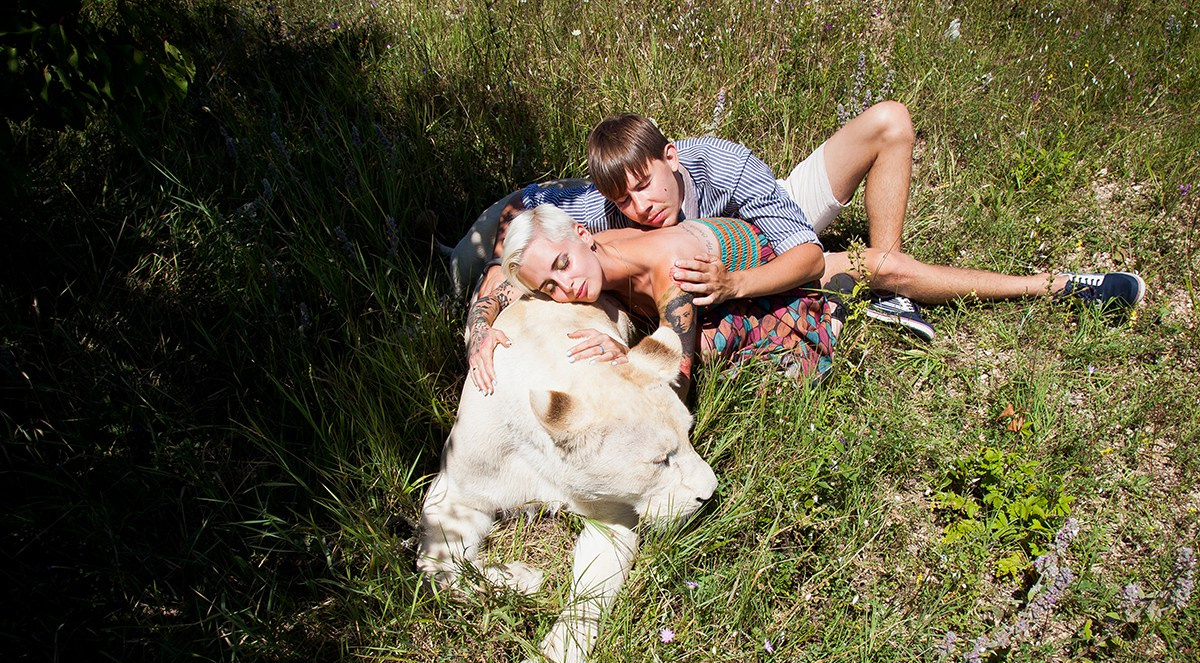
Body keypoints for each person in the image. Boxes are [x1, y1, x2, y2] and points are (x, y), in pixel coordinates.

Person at [463, 106, 1145, 390]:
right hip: (731, 252)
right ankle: (911, 284)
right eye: (626, 200)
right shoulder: (594, 212)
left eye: (648, 185)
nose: (640, 206)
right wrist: (479, 330)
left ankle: (1035, 285)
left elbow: (807, 258)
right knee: (875, 271)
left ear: (672, 158)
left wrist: (733, 289)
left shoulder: (723, 166)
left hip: (776, 229)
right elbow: (510, 251)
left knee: (889, 125)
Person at [489, 204, 841, 401]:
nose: (567, 285)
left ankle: (843, 290)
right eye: (550, 286)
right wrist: (480, 335)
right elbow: (500, 291)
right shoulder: (592, 251)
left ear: (583, 234)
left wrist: (628, 355)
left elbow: (677, 381)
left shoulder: (674, 270)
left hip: (771, 289)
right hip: (715, 280)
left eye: (563, 264)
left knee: (708, 350)